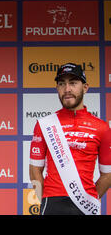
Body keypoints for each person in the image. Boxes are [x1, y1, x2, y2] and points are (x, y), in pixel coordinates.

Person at [29, 63, 111, 215]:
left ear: (85, 87)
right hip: (51, 203)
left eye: (73, 83)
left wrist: (89, 198)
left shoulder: (102, 128)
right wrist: (44, 199)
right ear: (57, 89)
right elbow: (34, 171)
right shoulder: (44, 124)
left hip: (86, 205)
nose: (67, 89)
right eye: (62, 84)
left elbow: (108, 174)